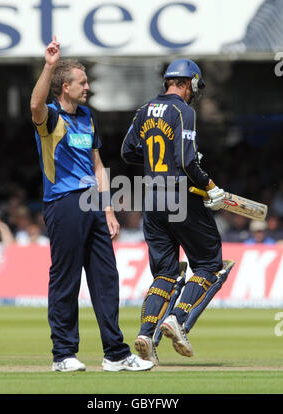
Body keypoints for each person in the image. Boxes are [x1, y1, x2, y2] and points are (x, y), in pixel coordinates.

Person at [30, 36, 153, 372]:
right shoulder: (51, 118)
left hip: (93, 206)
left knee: (105, 278)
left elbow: (98, 166)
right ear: (65, 87)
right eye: (82, 83)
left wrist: (109, 210)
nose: (88, 87)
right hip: (63, 202)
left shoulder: (87, 117)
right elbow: (34, 105)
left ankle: (115, 353)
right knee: (66, 279)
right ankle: (63, 355)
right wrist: (49, 65)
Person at [121, 59, 233, 366]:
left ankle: (146, 333)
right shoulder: (184, 112)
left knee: (166, 274)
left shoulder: (144, 110)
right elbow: (187, 162)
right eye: (196, 85)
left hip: (152, 198)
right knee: (210, 265)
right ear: (188, 83)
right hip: (180, 195)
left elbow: (127, 151)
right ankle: (178, 319)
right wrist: (212, 187)